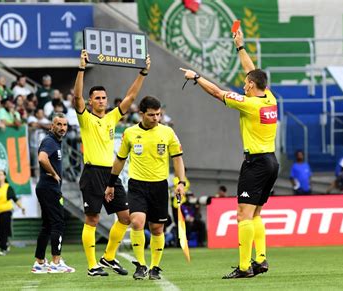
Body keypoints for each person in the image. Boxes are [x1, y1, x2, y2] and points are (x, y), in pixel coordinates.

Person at [179, 27, 279, 279]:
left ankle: (245, 267)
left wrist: (196, 77)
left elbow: (216, 92)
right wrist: (240, 47)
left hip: (255, 163)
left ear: (253, 86)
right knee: (256, 213)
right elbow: (251, 69)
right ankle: (261, 259)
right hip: (271, 162)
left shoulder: (250, 104)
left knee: (242, 215)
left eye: (246, 83)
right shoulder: (270, 99)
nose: (244, 84)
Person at [73, 49, 151, 276]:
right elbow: (77, 97)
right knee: (93, 218)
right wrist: (81, 69)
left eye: (103, 98)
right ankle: (91, 266)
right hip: (92, 173)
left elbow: (130, 98)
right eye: (96, 98)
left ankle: (108, 257)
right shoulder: (85, 117)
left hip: (111, 175)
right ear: (90, 101)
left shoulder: (111, 117)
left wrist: (143, 73)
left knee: (125, 217)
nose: (101, 101)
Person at [104, 96, 186, 280]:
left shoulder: (168, 133)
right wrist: (111, 184)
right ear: (141, 114)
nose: (156, 118)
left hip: (159, 186)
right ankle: (140, 265)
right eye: (151, 115)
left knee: (157, 229)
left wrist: (181, 182)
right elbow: (120, 160)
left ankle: (155, 267)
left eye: (158, 114)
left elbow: (178, 158)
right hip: (137, 185)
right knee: (137, 222)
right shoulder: (130, 133)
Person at [31, 113, 75, 274]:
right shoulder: (50, 141)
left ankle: (40, 262)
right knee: (58, 223)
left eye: (65, 125)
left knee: (48, 225)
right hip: (49, 188)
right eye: (59, 124)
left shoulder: (55, 142)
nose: (62, 128)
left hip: (45, 188)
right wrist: (55, 174)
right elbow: (42, 158)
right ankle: (56, 262)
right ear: (52, 126)